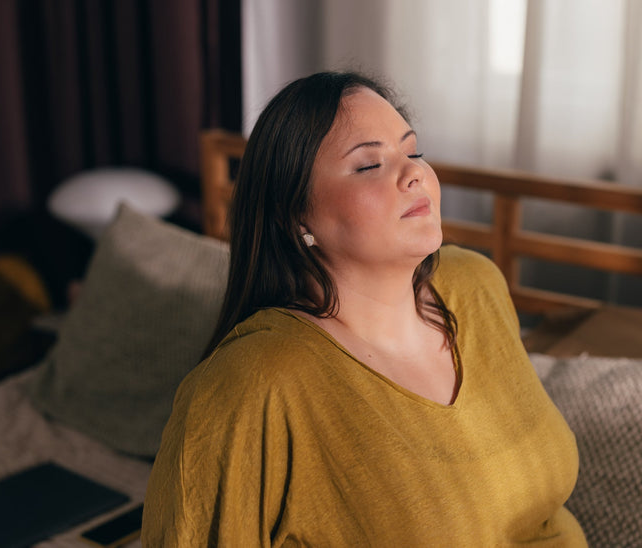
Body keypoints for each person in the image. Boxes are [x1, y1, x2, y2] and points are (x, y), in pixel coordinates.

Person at [142, 71, 587, 546]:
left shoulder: (475, 285)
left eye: (412, 151)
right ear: (296, 218)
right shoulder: (255, 384)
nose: (415, 172)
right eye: (369, 165)